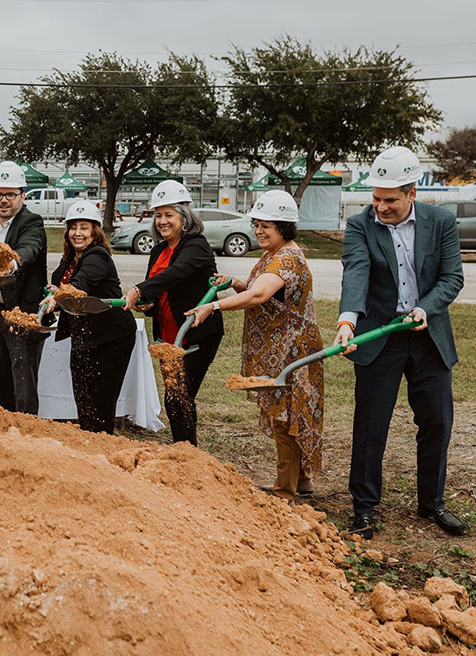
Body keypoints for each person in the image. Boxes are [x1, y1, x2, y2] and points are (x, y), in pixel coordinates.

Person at [334, 146, 465, 539]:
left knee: (437, 422)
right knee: (371, 425)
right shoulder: (361, 225)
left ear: (412, 193)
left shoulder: (441, 222)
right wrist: (347, 321)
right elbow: (355, 272)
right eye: (375, 198)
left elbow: (452, 277)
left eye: (390, 199)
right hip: (380, 336)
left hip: (428, 337)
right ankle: (364, 509)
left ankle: (432, 503)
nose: (380, 207)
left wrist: (426, 308)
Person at [186, 190, 323, 504]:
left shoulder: (287, 258)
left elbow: (260, 296)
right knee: (290, 416)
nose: (259, 230)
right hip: (281, 350)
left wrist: (214, 307)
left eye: (267, 225)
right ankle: (302, 481)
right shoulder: (274, 254)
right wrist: (235, 283)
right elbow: (263, 290)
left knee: (285, 419)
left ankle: (283, 493)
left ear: (285, 227)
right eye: (257, 224)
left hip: (291, 352)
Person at [122, 180, 223, 445]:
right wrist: (148, 303)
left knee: (180, 395)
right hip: (168, 335)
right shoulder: (157, 250)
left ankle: (187, 452)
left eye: (169, 215)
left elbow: (175, 275)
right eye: (158, 215)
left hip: (196, 333)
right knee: (174, 395)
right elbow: (159, 289)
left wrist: (138, 290)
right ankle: (183, 449)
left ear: (185, 217)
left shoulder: (196, 246)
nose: (162, 221)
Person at [41, 200, 136, 433]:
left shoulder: (98, 256)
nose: (78, 233)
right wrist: (54, 292)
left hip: (112, 338)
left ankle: (102, 445)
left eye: (84, 227)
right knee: (83, 398)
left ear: (95, 231)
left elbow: (81, 284)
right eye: (73, 227)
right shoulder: (69, 259)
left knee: (101, 401)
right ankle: (90, 441)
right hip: (84, 338)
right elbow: (63, 285)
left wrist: (60, 295)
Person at [0, 160, 47, 415]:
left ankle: (27, 435)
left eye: (11, 194)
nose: (4, 200)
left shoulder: (32, 222)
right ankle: (4, 435)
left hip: (24, 314)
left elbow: (30, 247)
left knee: (23, 385)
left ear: (22, 196)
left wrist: (11, 263)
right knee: (1, 379)